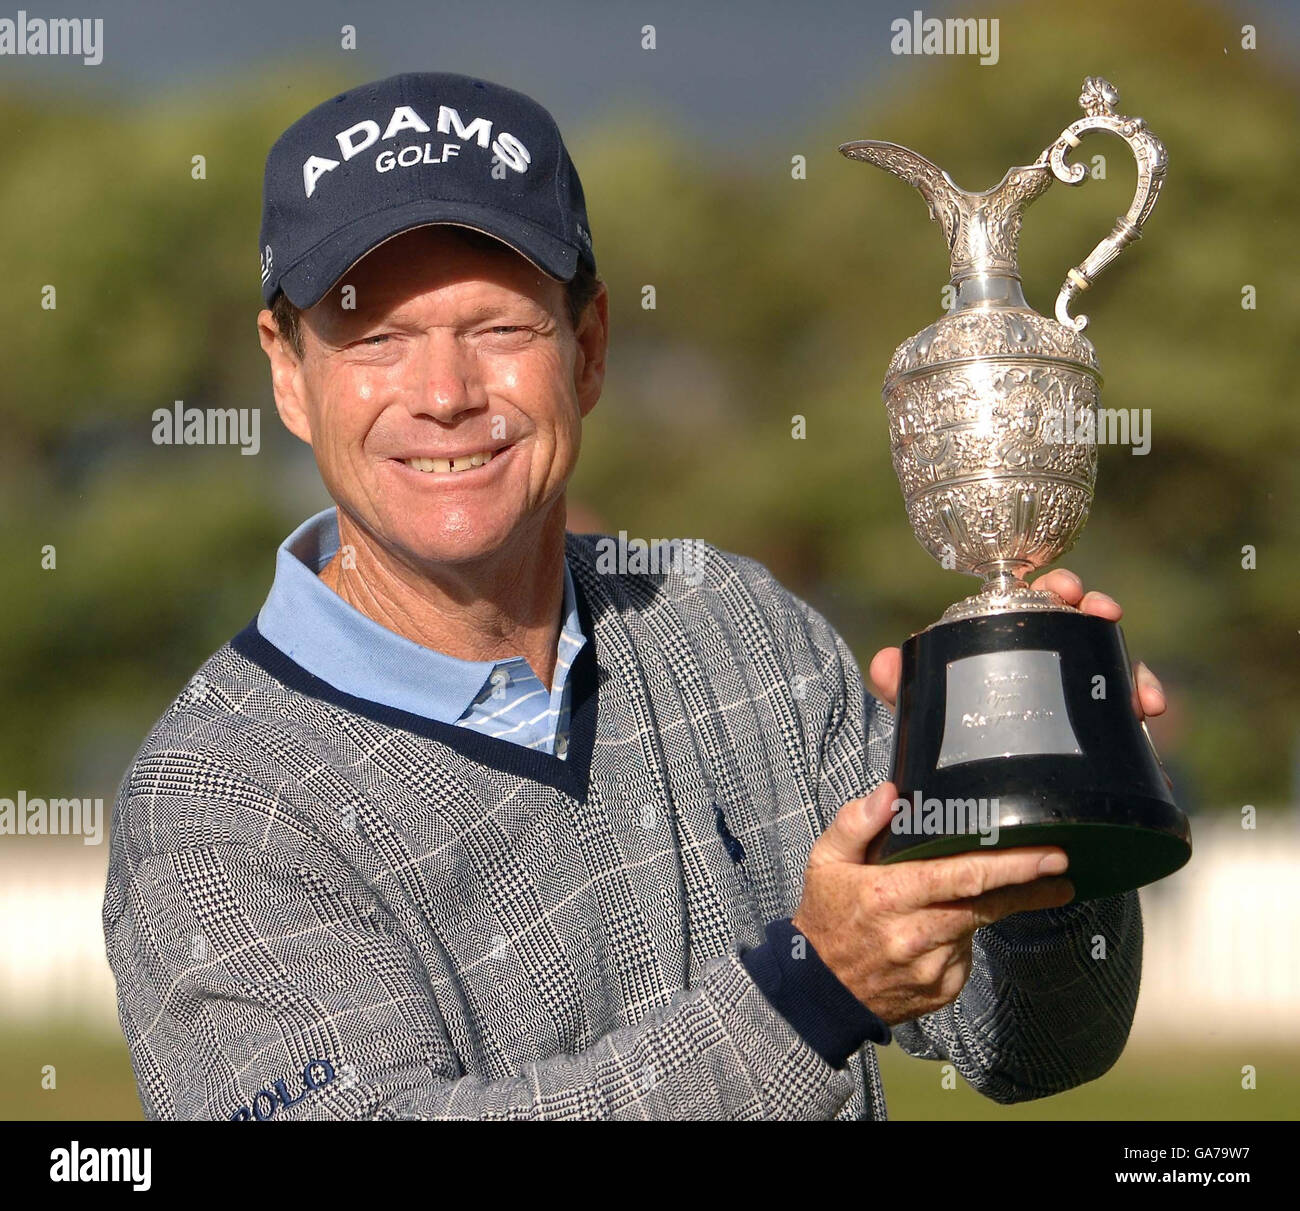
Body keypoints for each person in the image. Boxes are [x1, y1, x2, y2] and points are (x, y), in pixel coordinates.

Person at [102, 70, 1166, 1121]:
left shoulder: (734, 625)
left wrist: (1035, 823)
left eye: (499, 328)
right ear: (288, 373)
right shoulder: (219, 801)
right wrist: (808, 996)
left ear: (591, 347)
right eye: (375, 336)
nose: (443, 395)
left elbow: (1028, 1047)